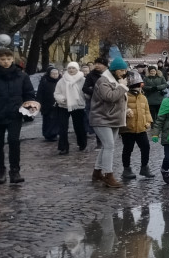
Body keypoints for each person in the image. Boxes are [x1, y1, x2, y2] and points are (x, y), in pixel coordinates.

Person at [0, 47, 39, 184]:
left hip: (15, 114)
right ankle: (0, 171)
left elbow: (29, 93)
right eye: (2, 59)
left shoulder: (21, 76)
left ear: (12, 59)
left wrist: (29, 106)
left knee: (14, 141)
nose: (6, 62)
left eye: (8, 59)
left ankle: (15, 171)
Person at [90, 56, 130, 188]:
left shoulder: (116, 80)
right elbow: (110, 97)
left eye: (124, 70)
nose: (124, 73)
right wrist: (122, 87)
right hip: (101, 118)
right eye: (121, 70)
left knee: (106, 146)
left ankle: (97, 172)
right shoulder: (104, 81)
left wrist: (126, 109)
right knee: (109, 146)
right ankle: (108, 175)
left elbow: (119, 100)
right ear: (114, 70)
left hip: (113, 118)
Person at [120, 70, 153, 180]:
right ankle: (126, 168)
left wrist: (148, 121)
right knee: (128, 149)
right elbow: (119, 109)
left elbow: (147, 111)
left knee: (146, 147)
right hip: (128, 129)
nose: (138, 88)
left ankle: (144, 167)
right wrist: (126, 111)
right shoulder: (125, 96)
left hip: (141, 128)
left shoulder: (143, 97)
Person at [54, 61, 87, 154]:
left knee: (79, 126)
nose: (71, 70)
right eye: (69, 68)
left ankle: (82, 143)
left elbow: (85, 92)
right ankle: (63, 147)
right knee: (63, 127)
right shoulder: (62, 80)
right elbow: (57, 93)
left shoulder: (82, 80)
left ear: (77, 69)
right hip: (64, 106)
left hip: (78, 106)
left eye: (73, 68)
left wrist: (86, 96)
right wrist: (61, 99)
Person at [37, 65, 61, 142]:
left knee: (56, 120)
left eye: (56, 73)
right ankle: (48, 134)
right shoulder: (45, 81)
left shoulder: (60, 81)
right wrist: (39, 103)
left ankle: (54, 134)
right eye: (53, 73)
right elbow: (40, 93)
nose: (55, 75)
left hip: (58, 104)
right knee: (48, 120)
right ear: (49, 74)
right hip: (46, 104)